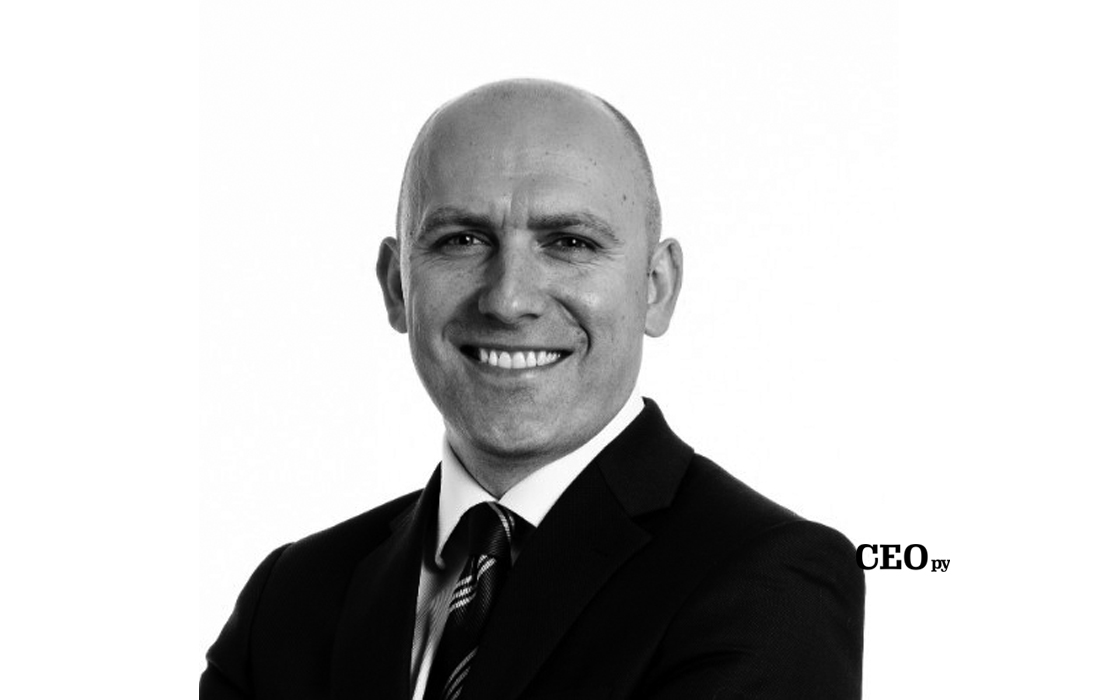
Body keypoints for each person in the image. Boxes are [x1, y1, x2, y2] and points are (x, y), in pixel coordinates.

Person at [201, 78, 864, 700]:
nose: (509, 298)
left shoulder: (768, 580)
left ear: (657, 287)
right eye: (462, 239)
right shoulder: (291, 596)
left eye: (569, 242)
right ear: (397, 285)